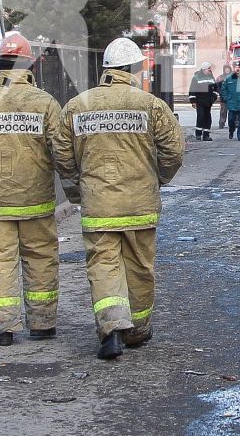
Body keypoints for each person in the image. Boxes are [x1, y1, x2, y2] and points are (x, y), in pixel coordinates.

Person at [61, 38, 185, 359]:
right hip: (140, 205)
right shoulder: (151, 105)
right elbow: (174, 150)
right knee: (140, 268)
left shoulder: (77, 106)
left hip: (98, 204)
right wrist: (158, 178)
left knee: (103, 265)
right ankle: (138, 331)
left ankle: (112, 330)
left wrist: (78, 189)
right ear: (134, 69)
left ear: (105, 69)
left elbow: (62, 156)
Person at [0, 31, 74, 345]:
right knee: (40, 259)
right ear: (30, 65)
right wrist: (72, 185)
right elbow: (62, 150)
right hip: (36, 202)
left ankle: (4, 328)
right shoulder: (45, 104)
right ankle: (42, 323)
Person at [188, 64, 216, 141]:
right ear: (204, 69)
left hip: (208, 101)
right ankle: (198, 134)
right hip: (200, 101)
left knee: (208, 118)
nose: (210, 70)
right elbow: (192, 90)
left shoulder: (211, 77)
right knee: (200, 117)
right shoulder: (196, 78)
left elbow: (215, 89)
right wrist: (193, 101)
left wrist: (214, 97)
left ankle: (206, 135)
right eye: (208, 68)